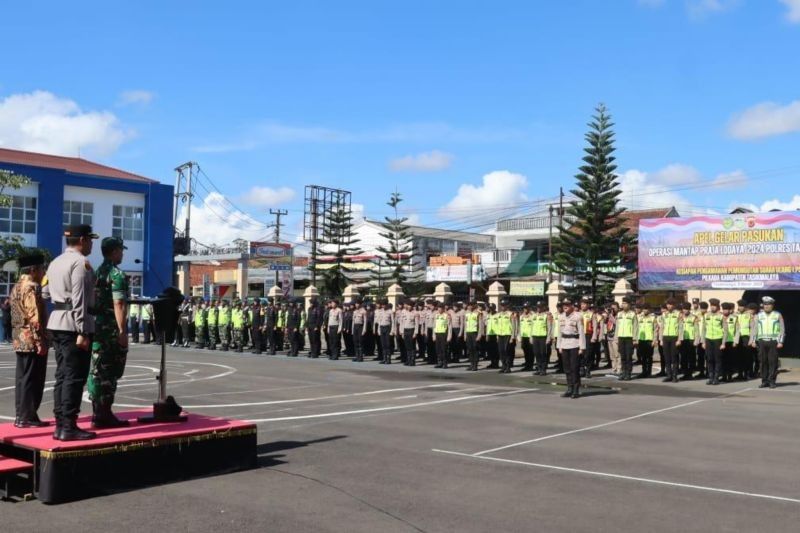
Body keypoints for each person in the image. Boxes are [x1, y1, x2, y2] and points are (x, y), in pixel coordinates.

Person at [43, 224, 98, 441]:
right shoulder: (80, 263)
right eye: (90, 240)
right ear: (82, 240)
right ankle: (68, 425)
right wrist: (83, 330)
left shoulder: (55, 262)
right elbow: (80, 298)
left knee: (62, 375)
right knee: (74, 377)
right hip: (74, 325)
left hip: (57, 321)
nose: (92, 244)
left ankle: (60, 424)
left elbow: (45, 292)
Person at [87, 237, 130, 428]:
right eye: (121, 250)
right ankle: (104, 414)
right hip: (111, 328)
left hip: (97, 326)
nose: (122, 253)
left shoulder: (97, 272)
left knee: (97, 369)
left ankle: (98, 412)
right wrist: (122, 331)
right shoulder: (116, 274)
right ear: (114, 252)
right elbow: (118, 303)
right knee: (111, 371)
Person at [11, 253, 49, 428]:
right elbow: (35, 316)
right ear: (33, 270)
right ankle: (28, 416)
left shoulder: (16, 286)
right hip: (31, 339)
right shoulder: (31, 287)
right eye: (42, 269)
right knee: (33, 379)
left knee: (23, 378)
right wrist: (40, 340)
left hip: (19, 338)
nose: (43, 272)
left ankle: (21, 414)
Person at [751, 296, 785, 389]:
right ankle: (764, 381)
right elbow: (754, 329)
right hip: (761, 342)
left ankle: (772, 381)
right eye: (765, 304)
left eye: (768, 304)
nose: (766, 306)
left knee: (772, 362)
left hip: (773, 341)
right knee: (762, 362)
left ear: (772, 305)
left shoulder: (777, 315)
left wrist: (780, 341)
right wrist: (753, 340)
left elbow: (782, 329)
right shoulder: (758, 315)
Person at [556, 298, 586, 399]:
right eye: (564, 304)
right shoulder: (561, 316)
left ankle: (576, 389)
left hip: (574, 344)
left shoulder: (578, 316)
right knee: (567, 368)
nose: (565, 306)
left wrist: (582, 347)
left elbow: (581, 333)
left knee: (574, 368)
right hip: (564, 344)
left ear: (572, 305)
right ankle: (569, 388)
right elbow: (559, 332)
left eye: (567, 304)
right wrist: (559, 346)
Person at [701, 298, 728, 385]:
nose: (712, 307)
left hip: (718, 339)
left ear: (717, 307)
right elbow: (703, 329)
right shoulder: (706, 315)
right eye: (711, 306)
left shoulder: (721, 316)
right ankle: (710, 377)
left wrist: (723, 343)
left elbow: (725, 331)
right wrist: (703, 342)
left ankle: (716, 378)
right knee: (709, 359)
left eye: (714, 306)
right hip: (708, 339)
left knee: (717, 359)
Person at [659, 298, 682, 383]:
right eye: (668, 304)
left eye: (671, 304)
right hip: (665, 337)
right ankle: (669, 375)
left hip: (674, 337)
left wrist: (679, 339)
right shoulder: (664, 314)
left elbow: (680, 328)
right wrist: (660, 339)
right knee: (667, 357)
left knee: (674, 357)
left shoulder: (678, 314)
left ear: (674, 305)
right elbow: (662, 327)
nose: (669, 306)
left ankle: (675, 376)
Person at [616, 297, 638, 381]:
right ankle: (623, 372)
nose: (623, 305)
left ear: (629, 305)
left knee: (628, 356)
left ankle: (628, 373)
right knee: (622, 356)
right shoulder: (619, 314)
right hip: (621, 337)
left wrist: (635, 339)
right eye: (623, 303)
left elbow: (635, 327)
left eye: (625, 303)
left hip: (629, 338)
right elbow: (617, 327)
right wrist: (616, 338)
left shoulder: (632, 314)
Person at [532, 301, 552, 376]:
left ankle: (543, 369)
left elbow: (549, 327)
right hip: (535, 336)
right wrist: (531, 336)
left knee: (543, 353)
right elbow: (532, 326)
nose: (538, 308)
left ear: (543, 307)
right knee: (536, 353)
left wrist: (548, 337)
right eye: (537, 307)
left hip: (543, 337)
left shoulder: (546, 315)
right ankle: (538, 368)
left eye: (540, 307)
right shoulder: (534, 315)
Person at [680, 302, 699, 380]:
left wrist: (696, 340)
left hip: (691, 339)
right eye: (684, 309)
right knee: (683, 357)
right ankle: (685, 373)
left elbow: (696, 330)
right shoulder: (680, 317)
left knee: (691, 357)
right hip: (683, 339)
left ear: (689, 309)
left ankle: (690, 373)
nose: (685, 311)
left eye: (687, 309)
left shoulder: (694, 317)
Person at [636, 305, 656, 379]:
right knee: (643, 357)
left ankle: (649, 372)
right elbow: (637, 329)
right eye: (644, 309)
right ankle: (644, 371)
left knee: (649, 357)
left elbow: (655, 330)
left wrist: (654, 340)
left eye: (646, 309)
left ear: (649, 310)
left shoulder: (653, 318)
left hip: (649, 340)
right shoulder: (639, 318)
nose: (645, 310)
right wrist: (636, 339)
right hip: (641, 340)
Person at [463, 301, 483, 371]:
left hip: (475, 333)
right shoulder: (467, 314)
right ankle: (471, 364)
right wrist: (465, 334)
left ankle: (475, 365)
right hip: (468, 332)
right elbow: (465, 325)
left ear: (473, 306)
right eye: (468, 305)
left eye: (470, 305)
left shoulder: (478, 313)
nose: (469, 307)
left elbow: (480, 325)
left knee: (475, 349)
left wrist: (479, 335)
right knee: (470, 349)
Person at [375, 300, 393, 364]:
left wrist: (392, 331)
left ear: (387, 305)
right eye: (382, 305)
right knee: (383, 344)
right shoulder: (380, 312)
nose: (383, 306)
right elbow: (379, 321)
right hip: (381, 328)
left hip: (387, 328)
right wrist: (378, 330)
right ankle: (384, 358)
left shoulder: (390, 312)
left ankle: (388, 359)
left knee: (388, 344)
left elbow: (393, 322)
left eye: (384, 305)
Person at [433, 303, 451, 369]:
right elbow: (434, 325)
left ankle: (445, 363)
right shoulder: (436, 315)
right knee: (438, 349)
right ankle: (439, 362)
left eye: (441, 308)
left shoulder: (447, 316)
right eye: (438, 308)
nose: (439, 309)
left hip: (444, 334)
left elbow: (449, 326)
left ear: (443, 309)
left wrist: (449, 336)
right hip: (437, 333)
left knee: (444, 349)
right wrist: (433, 335)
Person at [518, 303, 534, 372]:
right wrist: (519, 337)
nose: (525, 309)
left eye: (527, 308)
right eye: (524, 308)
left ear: (529, 308)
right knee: (526, 352)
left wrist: (532, 337)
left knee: (531, 352)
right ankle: (527, 365)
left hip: (530, 337)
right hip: (523, 337)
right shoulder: (521, 317)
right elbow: (519, 327)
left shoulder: (532, 316)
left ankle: (530, 366)